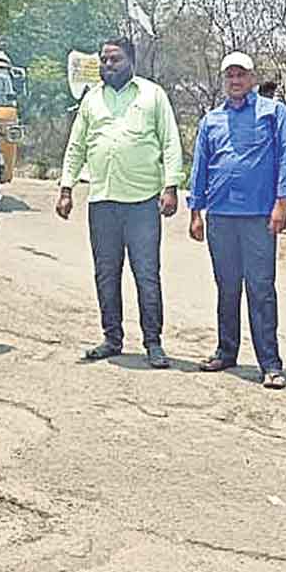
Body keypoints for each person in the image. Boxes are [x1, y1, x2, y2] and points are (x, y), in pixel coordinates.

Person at [58, 37, 182, 368]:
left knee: (146, 274)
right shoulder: (91, 100)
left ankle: (153, 343)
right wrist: (66, 187)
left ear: (131, 61)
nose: (108, 65)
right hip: (102, 201)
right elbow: (76, 145)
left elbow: (170, 142)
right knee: (106, 273)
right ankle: (112, 338)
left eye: (115, 60)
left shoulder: (152, 95)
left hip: (142, 203)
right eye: (104, 60)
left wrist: (171, 186)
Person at [188, 52, 286, 390]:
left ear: (252, 78)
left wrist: (282, 204)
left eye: (241, 75)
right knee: (227, 286)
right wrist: (196, 211)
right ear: (224, 81)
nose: (235, 81)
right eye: (230, 76)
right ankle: (226, 351)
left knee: (261, 289)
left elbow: (285, 159)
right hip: (220, 216)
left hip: (258, 218)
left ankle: (270, 363)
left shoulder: (273, 113)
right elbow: (200, 166)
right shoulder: (212, 120)